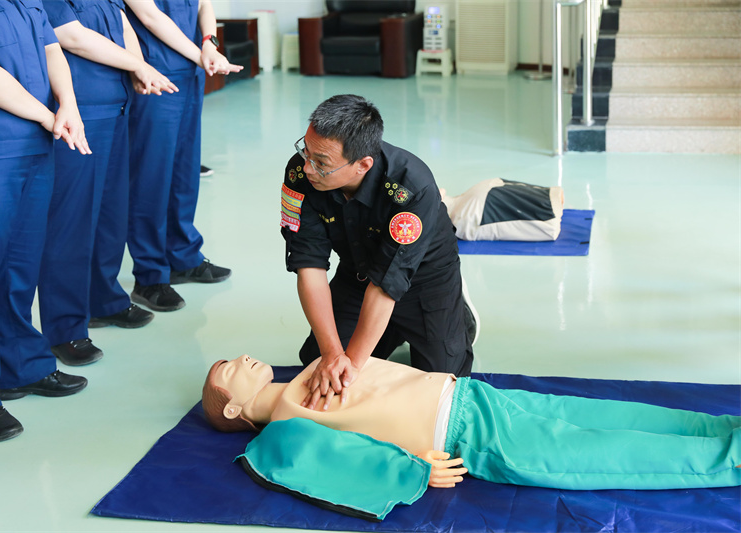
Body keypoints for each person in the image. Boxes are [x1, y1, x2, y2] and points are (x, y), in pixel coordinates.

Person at [203, 355, 740, 515]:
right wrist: (412, 470)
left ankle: (725, 430)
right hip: (472, 437)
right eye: (225, 367)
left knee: (617, 418)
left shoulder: (308, 368)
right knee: (614, 453)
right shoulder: (280, 431)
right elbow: (327, 464)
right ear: (233, 406)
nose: (239, 357)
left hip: (473, 396)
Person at [0, 0, 89, 444]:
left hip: (34, 147)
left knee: (19, 269)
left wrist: (67, 103)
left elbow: (52, 50)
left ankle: (20, 366)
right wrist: (48, 115)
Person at [281, 94, 476, 411]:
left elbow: (388, 284)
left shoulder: (411, 186)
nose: (308, 167)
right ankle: (388, 332)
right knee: (315, 366)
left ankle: (456, 315)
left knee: (440, 392)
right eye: (306, 150)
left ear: (362, 165)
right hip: (358, 274)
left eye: (321, 162)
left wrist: (351, 365)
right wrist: (332, 356)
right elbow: (310, 267)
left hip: (426, 283)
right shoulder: (300, 175)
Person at [37, 0, 179, 366]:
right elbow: (71, 37)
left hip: (117, 105)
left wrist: (138, 67)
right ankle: (66, 328)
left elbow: (123, 23)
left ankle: (105, 299)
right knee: (72, 222)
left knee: (110, 213)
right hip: (79, 112)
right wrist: (138, 64)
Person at [123, 0, 240, 312]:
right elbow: (149, 17)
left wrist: (209, 43)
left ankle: (183, 257)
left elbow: (204, 5)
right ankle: (149, 275)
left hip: (191, 72)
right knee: (151, 177)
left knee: (184, 172)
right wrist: (202, 55)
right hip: (155, 74)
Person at [441, 179, 565, 242]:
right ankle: (552, 200)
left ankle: (552, 203)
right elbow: (441, 192)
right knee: (550, 223)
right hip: (476, 198)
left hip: (470, 213)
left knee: (550, 225)